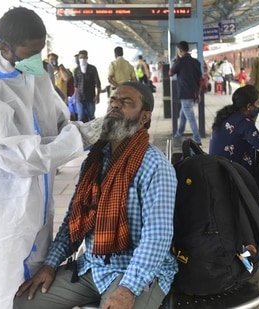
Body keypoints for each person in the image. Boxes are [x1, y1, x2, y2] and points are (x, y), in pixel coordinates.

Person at [0, 7, 103, 308]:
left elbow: (58, 124)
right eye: (29, 51)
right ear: (5, 47)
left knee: (36, 282)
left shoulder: (33, 75)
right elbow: (18, 157)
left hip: (34, 201)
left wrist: (87, 132)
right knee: (3, 287)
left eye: (40, 50)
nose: (36, 58)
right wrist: (81, 137)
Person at [14, 81, 178, 309]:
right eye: (113, 100)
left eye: (126, 102)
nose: (115, 106)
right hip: (93, 265)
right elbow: (73, 221)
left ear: (144, 118)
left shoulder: (154, 166)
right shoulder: (95, 160)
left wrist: (128, 288)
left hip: (137, 272)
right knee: (25, 302)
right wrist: (50, 264)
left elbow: (157, 237)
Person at [209, 85, 259, 178]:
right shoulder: (243, 122)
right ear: (249, 106)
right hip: (233, 177)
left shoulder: (228, 115)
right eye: (257, 103)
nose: (258, 106)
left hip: (219, 172)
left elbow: (256, 136)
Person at [170, 41, 203, 145]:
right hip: (193, 92)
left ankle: (197, 138)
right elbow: (200, 80)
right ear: (188, 49)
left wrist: (175, 60)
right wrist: (198, 94)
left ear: (180, 50)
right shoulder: (196, 62)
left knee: (190, 117)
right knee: (183, 113)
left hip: (184, 93)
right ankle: (179, 133)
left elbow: (170, 73)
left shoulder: (180, 62)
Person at [73, 49, 101, 122]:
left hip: (90, 97)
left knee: (91, 116)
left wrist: (97, 96)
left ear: (87, 58)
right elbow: (76, 85)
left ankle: (92, 131)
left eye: (84, 57)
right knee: (80, 116)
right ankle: (81, 132)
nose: (82, 59)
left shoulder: (92, 69)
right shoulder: (76, 70)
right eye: (80, 58)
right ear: (78, 58)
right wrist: (75, 98)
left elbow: (98, 83)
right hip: (79, 96)